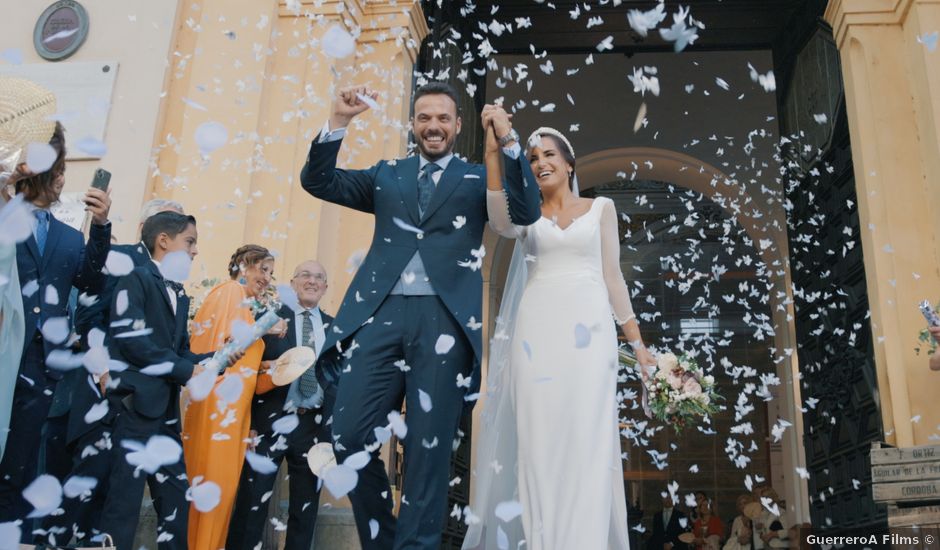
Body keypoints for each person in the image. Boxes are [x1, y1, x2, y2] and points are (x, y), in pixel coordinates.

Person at [298, 82, 540, 549]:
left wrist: (508, 142)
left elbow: (525, 210)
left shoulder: (477, 178)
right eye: (425, 117)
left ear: (458, 126)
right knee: (347, 436)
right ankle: (385, 539)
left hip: (444, 320)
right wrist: (339, 121)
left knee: (428, 453)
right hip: (380, 314)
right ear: (413, 123)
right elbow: (319, 182)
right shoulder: (387, 174)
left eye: (443, 119)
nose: (433, 126)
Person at [463, 124, 656, 550]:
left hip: (591, 332)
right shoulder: (525, 213)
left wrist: (638, 347)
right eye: (532, 159)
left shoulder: (601, 208)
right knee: (539, 441)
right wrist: (494, 153)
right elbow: (496, 219)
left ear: (569, 164)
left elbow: (613, 278)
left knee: (588, 439)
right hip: (537, 333)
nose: (540, 163)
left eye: (548, 154)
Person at [41, 198, 185, 545]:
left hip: (150, 405)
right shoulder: (118, 258)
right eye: (174, 225)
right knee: (89, 482)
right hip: (105, 397)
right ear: (153, 231)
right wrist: (104, 370)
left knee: (122, 496)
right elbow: (89, 318)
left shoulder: (174, 279)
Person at [0, 122, 112, 533]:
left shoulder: (68, 235)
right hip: (4, 347)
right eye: (59, 169)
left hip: (43, 361)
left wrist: (100, 228)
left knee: (22, 460)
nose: (64, 177)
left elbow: (90, 280)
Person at [97, 211, 221, 550]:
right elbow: (134, 342)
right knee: (125, 499)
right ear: (163, 241)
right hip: (134, 406)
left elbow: (180, 352)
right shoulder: (135, 279)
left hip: (166, 414)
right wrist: (185, 371)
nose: (195, 251)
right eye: (190, 242)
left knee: (176, 498)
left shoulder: (180, 295)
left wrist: (217, 360)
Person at [183, 244, 285, 550]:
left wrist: (271, 368)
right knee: (214, 490)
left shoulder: (243, 301)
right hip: (217, 411)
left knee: (222, 492)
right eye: (262, 269)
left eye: (270, 272)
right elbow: (224, 348)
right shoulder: (231, 292)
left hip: (234, 412)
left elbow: (239, 362)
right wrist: (268, 325)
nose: (267, 278)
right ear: (243, 265)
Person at [227, 260, 334, 550]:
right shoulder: (268, 318)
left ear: (325, 287)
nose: (312, 281)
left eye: (319, 277)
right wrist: (247, 423)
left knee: (305, 508)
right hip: (269, 421)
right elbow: (247, 369)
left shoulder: (335, 328)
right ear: (294, 282)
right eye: (306, 275)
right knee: (252, 501)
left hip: (313, 426)